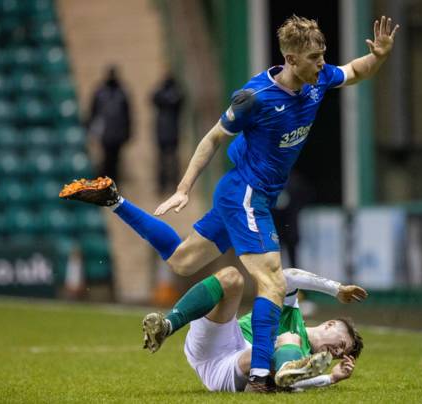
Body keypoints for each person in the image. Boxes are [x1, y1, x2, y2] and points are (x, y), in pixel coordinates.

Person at [60, 15, 398, 392]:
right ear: (290, 57)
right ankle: (258, 378)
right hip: (246, 194)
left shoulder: (317, 82)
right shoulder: (255, 97)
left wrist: (380, 56)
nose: (322, 63)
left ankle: (114, 199)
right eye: (315, 57)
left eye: (323, 55)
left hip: (252, 194)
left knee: (182, 261)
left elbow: (355, 70)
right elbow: (212, 139)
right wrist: (184, 189)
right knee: (271, 282)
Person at [143, 265, 366, 392]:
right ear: (331, 324)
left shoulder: (305, 358)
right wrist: (335, 289)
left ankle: (279, 372)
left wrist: (331, 378)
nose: (337, 353)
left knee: (287, 342)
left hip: (229, 369)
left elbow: (298, 386)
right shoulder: (291, 310)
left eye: (340, 355)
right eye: (342, 345)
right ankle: (168, 325)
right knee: (231, 277)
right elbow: (287, 276)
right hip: (223, 339)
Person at [86, 65, 132, 181]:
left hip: (117, 134)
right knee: (105, 161)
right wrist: (90, 128)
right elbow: (93, 112)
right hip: (105, 134)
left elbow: (127, 115)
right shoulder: (100, 92)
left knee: (116, 162)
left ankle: (114, 186)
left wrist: (127, 132)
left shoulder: (122, 93)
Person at [152, 74, 184, 193]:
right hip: (165, 132)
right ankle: (163, 185)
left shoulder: (175, 95)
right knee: (163, 160)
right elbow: (153, 98)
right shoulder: (164, 95)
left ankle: (173, 184)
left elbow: (180, 99)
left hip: (170, 132)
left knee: (172, 160)